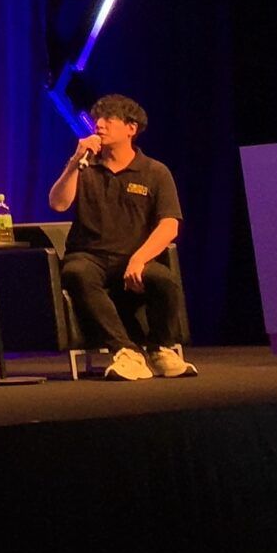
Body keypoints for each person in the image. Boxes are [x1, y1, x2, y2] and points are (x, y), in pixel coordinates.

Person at [45, 93, 191, 380]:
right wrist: (74, 162)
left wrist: (139, 259)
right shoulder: (86, 167)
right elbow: (58, 203)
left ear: (131, 128)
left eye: (109, 119)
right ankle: (126, 352)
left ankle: (160, 349)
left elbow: (169, 225)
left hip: (133, 257)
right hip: (90, 256)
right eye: (97, 119)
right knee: (76, 273)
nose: (99, 124)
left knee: (164, 281)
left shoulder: (155, 172)